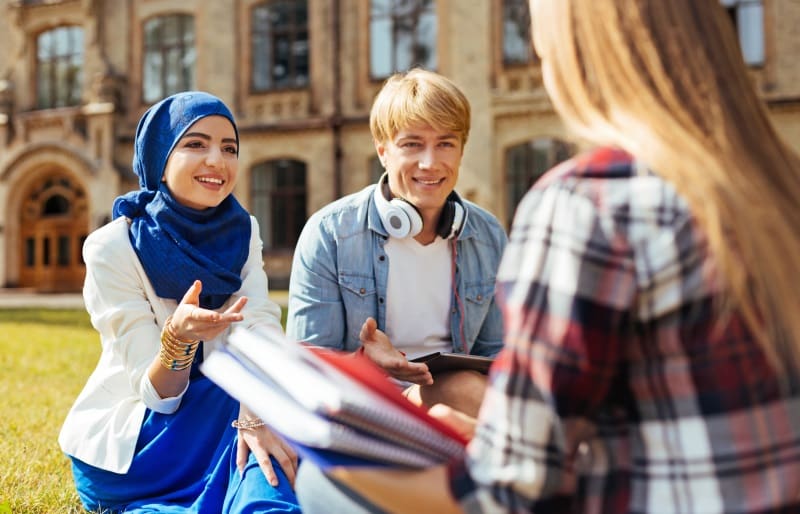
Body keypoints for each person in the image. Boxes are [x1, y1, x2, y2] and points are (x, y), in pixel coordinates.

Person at [294, 0, 800, 512]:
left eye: (539, 43)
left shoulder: (589, 201)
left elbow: (519, 482)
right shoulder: (781, 186)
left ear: (577, 57)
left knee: (322, 485)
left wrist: (478, 445)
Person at [58, 91, 301, 513]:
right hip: (141, 446)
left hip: (228, 419)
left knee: (277, 394)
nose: (217, 161)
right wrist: (178, 339)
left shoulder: (244, 232)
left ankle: (265, 506)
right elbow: (157, 394)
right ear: (160, 158)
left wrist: (255, 405)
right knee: (253, 395)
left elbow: (259, 328)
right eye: (195, 144)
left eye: (230, 148)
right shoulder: (113, 246)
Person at [286, 68, 507, 417]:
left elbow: (497, 357)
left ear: (462, 150)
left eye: (445, 143)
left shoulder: (488, 236)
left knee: (474, 396)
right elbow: (308, 367)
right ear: (383, 151)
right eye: (412, 144)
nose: (430, 163)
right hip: (361, 405)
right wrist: (367, 362)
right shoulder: (330, 233)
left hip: (463, 402)